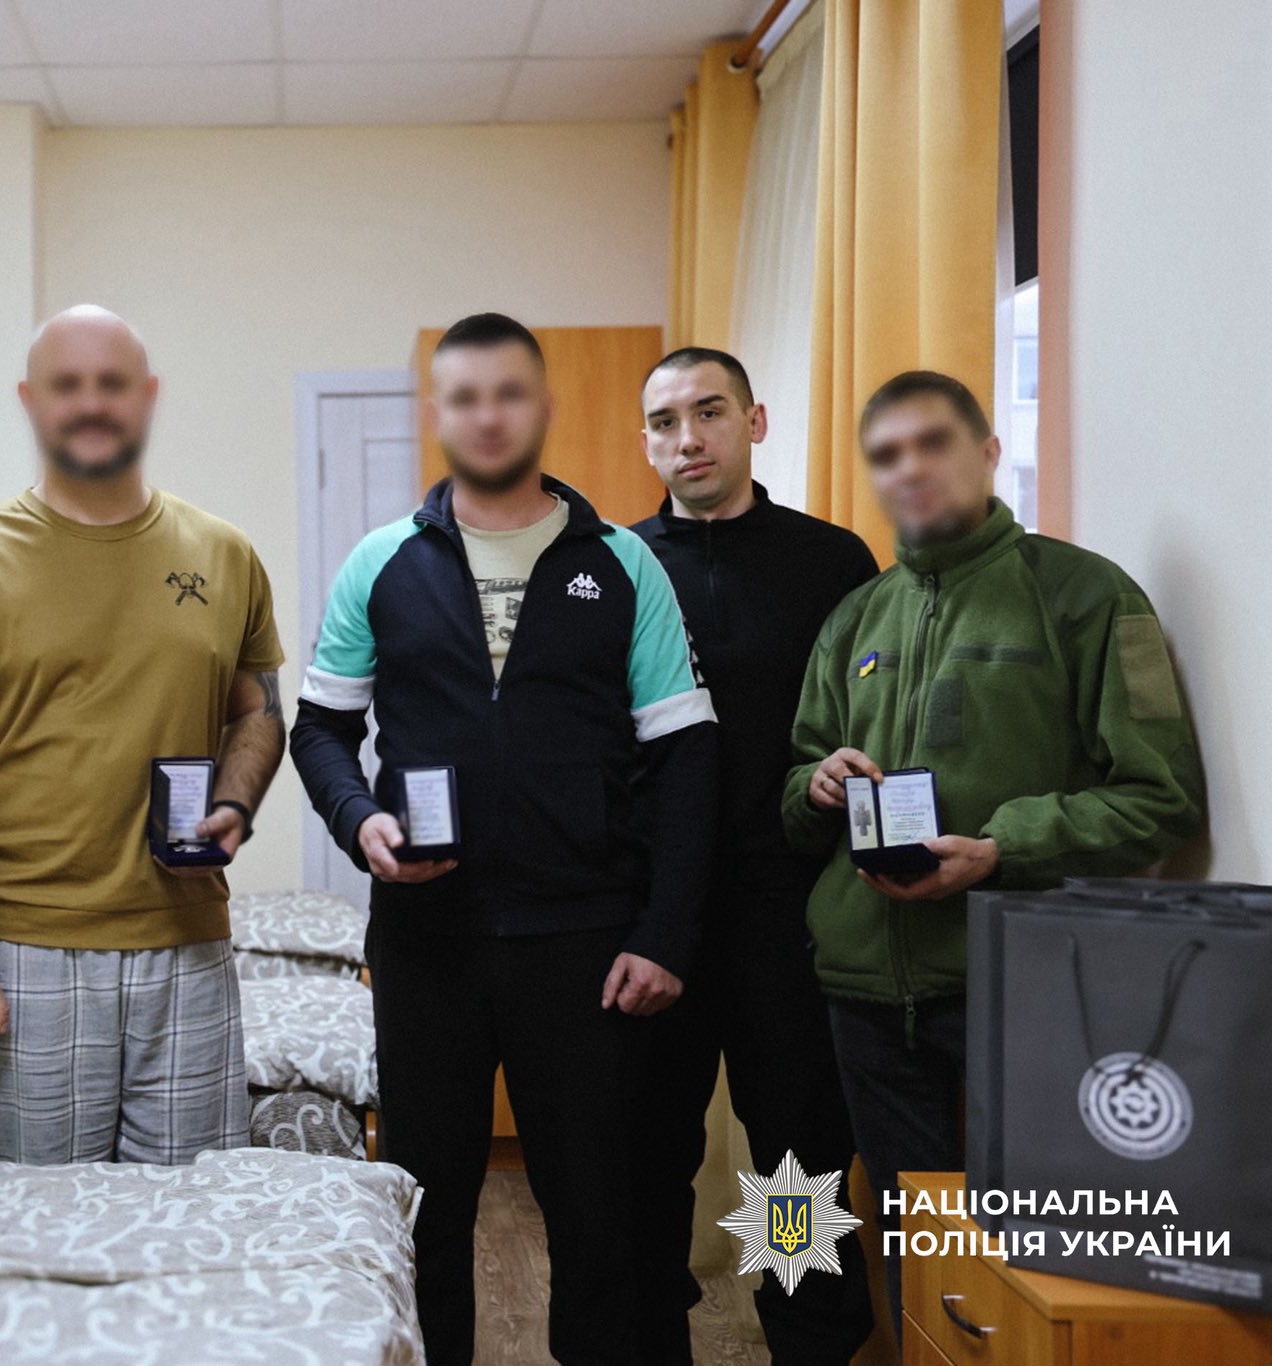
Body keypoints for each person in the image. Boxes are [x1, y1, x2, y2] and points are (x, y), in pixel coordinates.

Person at [290, 313, 717, 1365]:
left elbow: (685, 758)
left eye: (509, 393)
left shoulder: (621, 563)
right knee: (426, 1210)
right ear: (439, 415)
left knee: (595, 1215)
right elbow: (320, 730)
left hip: (584, 946)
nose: (488, 416)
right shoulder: (381, 563)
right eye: (465, 397)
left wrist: (663, 934)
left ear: (542, 407)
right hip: (426, 942)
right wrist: (359, 819)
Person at [783, 369, 1206, 1330]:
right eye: (886, 454)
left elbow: (1161, 799)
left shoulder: (1089, 596)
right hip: (865, 992)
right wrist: (815, 785)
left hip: (1018, 988)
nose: (909, 468)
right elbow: (798, 782)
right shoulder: (855, 616)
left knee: (1032, 1260)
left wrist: (1001, 848)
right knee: (916, 1248)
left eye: (932, 443)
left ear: (986, 451)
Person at [0, 305, 285, 1166]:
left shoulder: (224, 553)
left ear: (147, 397)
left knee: (192, 1215)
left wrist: (233, 803)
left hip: (188, 938)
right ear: (30, 400)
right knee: (45, 1221)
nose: (90, 403)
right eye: (66, 385)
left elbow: (257, 712)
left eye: (112, 383)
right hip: (28, 947)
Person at [630, 347, 877, 1364]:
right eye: (664, 422)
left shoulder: (831, 562)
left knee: (794, 1163)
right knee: (647, 1159)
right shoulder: (613, 568)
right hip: (654, 922)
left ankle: (808, 1343)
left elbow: (867, 723)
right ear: (646, 440)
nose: (687, 439)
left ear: (754, 422)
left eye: (709, 412)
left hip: (790, 914)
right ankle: (648, 1339)